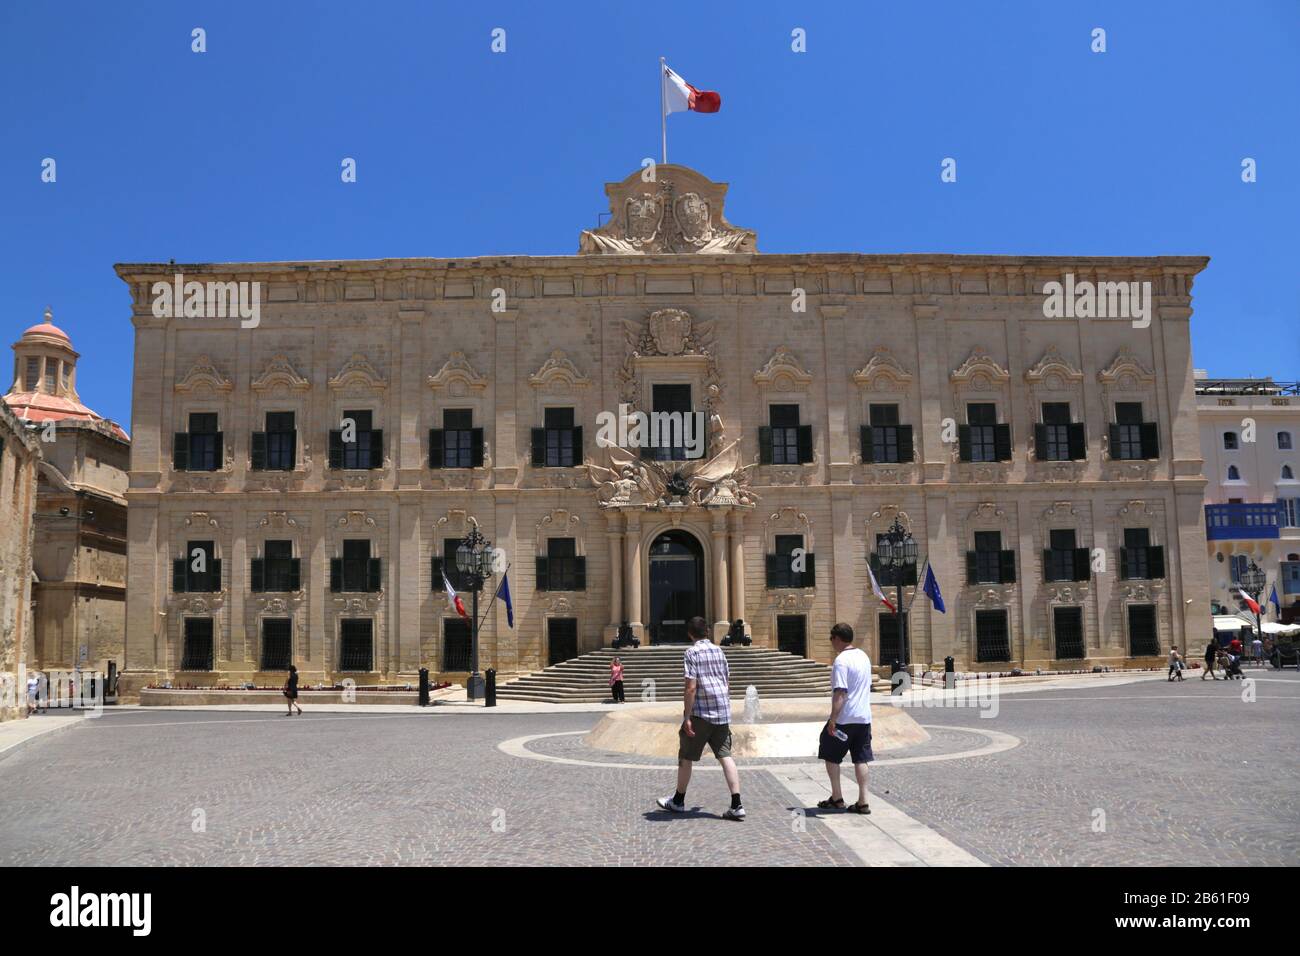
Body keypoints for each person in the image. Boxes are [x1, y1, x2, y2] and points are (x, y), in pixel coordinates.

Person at [656, 616, 744, 821]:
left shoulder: (691, 652)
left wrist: (687, 716)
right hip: (722, 711)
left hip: (701, 713)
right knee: (725, 756)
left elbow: (691, 687)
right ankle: (737, 803)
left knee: (686, 756)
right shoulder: (719, 651)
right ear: (708, 632)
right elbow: (726, 681)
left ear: (689, 634)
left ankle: (678, 801)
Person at [815, 623, 874, 814]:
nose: (831, 643)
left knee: (830, 754)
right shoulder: (863, 656)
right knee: (861, 758)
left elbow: (840, 692)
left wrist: (833, 719)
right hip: (863, 718)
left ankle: (837, 797)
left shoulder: (841, 661)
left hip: (845, 719)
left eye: (831, 639)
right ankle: (863, 801)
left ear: (837, 638)